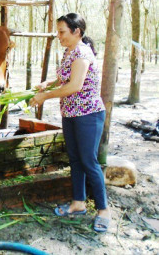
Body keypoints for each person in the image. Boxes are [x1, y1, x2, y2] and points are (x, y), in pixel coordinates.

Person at [29, 13, 109, 233]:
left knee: (88, 161)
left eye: (62, 32)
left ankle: (103, 210)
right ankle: (78, 203)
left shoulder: (82, 53)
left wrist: (45, 97)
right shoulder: (69, 52)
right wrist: (48, 83)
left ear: (77, 31)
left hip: (88, 114)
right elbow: (64, 78)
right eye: (58, 32)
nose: (59, 36)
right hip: (71, 113)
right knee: (75, 159)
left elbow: (74, 85)